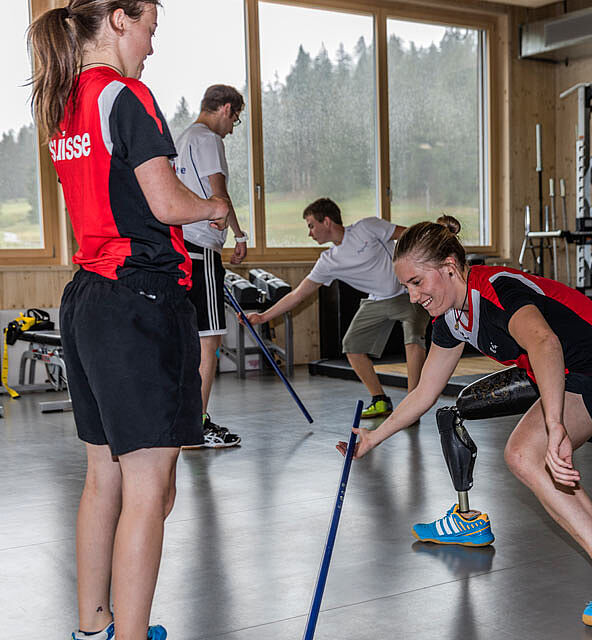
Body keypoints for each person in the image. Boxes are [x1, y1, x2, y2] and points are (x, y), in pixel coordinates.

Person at [337, 217, 592, 628]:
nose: (413, 297)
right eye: (407, 288)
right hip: (558, 371)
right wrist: (373, 438)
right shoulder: (451, 318)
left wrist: (555, 424)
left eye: (417, 282)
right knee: (523, 453)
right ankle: (473, 524)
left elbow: (545, 341)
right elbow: (424, 392)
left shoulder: (498, 291)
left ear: (450, 267)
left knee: (527, 454)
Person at [29, 2, 229, 639]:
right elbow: (167, 202)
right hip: (140, 298)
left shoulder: (66, 105)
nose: (151, 44)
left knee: (103, 477)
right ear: (119, 19)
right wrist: (215, 206)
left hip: (88, 299)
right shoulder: (127, 96)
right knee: (151, 488)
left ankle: (94, 626)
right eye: (149, 27)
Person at [247, 198, 428, 416]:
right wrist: (263, 317)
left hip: (406, 293)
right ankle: (380, 399)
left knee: (413, 339)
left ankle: (412, 406)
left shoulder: (366, 228)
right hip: (377, 300)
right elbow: (298, 295)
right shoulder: (328, 261)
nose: (310, 233)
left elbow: (410, 235)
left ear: (327, 221)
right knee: (352, 346)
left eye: (311, 226)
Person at [174, 84, 247, 448]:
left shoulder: (183, 136)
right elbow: (219, 194)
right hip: (201, 250)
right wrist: (239, 234)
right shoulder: (207, 139)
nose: (233, 128)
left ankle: (185, 419)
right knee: (209, 341)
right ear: (226, 108)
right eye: (235, 118)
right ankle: (196, 425)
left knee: (189, 341)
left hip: (180, 247)